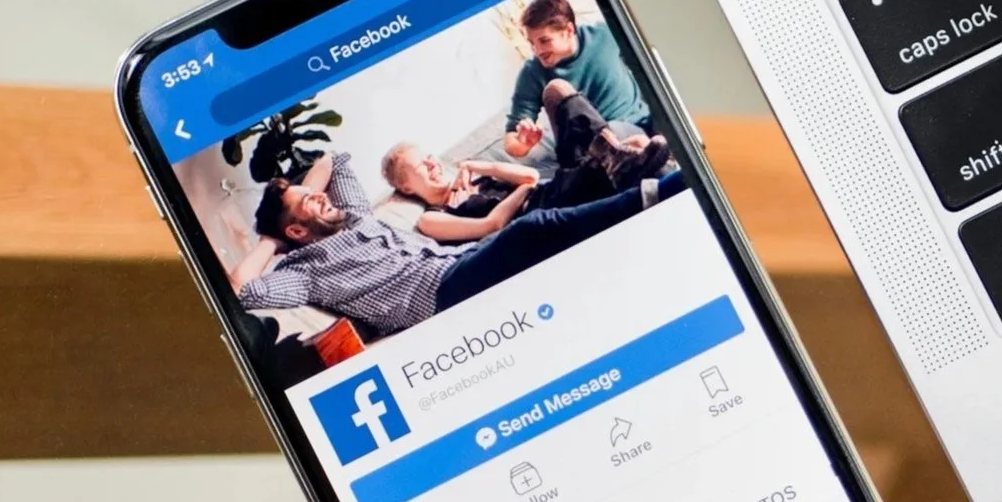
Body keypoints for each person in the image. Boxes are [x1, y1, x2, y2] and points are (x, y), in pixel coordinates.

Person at [231, 150, 685, 332]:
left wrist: (301, 195)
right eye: (308, 204)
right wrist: (271, 240)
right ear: (294, 232)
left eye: (314, 193)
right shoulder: (304, 273)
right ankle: (665, 192)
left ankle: (661, 206)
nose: (319, 196)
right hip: (439, 296)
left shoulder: (354, 216)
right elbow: (244, 290)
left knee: (546, 238)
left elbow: (336, 159)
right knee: (531, 229)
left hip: (462, 262)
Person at [386, 80, 671, 243]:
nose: (433, 164)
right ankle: (619, 162)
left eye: (429, 157)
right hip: (547, 208)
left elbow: (527, 174)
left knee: (556, 90)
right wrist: (524, 189)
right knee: (640, 145)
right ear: (407, 187)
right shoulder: (432, 218)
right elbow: (492, 225)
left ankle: (616, 160)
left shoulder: (472, 177)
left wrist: (473, 166)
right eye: (421, 166)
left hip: (558, 185)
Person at [504, 0, 653, 159]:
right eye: (531, 43)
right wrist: (523, 143)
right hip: (586, 148)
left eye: (544, 41)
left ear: (568, 30)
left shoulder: (606, 35)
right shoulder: (532, 73)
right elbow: (511, 142)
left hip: (637, 126)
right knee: (558, 89)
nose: (537, 51)